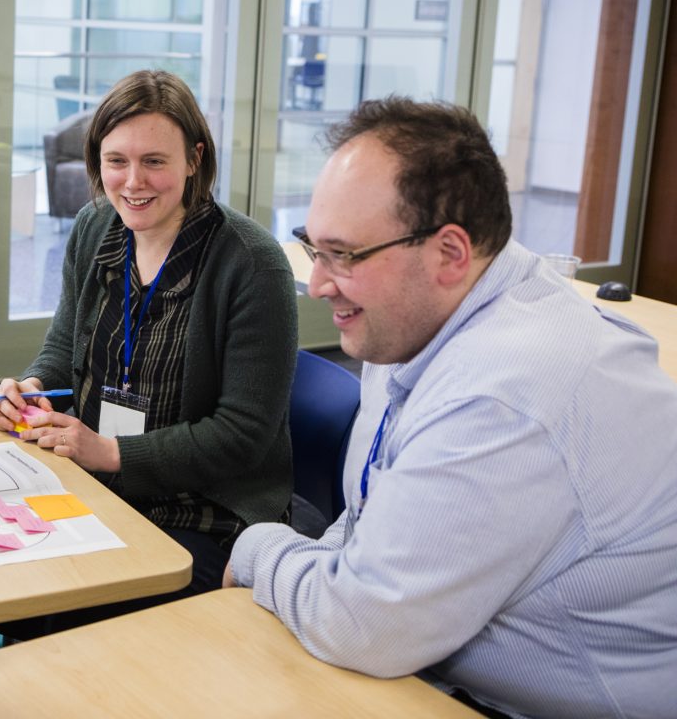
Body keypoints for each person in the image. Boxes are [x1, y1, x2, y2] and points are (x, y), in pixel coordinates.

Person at [224, 97, 677, 718]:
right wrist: (315, 565)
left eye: (346, 255)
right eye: (315, 248)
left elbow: (367, 625)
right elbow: (368, 520)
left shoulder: (505, 391)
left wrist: (260, 550)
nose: (320, 282)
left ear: (450, 254)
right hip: (438, 674)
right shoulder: (413, 319)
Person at [0, 69, 298, 597]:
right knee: (2, 567)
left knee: (69, 597)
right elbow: (65, 344)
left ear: (194, 159)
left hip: (202, 508)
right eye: (117, 161)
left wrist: (111, 452)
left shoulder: (251, 264)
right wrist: (34, 388)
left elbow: (242, 435)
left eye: (154, 161)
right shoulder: (95, 227)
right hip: (96, 483)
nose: (133, 182)